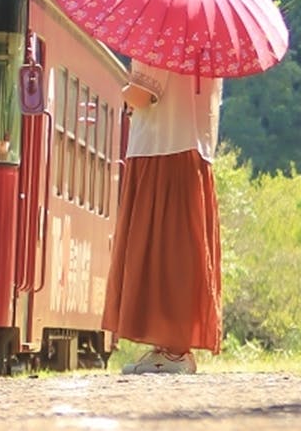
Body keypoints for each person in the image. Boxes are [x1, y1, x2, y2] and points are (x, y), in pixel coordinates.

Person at [102, 60, 224, 375]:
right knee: (180, 250)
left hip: (159, 150)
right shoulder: (206, 44)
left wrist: (123, 88)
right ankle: (171, 345)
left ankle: (172, 350)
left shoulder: (162, 35)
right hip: (194, 151)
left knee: (156, 248)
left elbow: (142, 94)